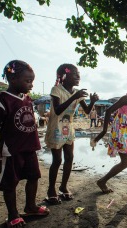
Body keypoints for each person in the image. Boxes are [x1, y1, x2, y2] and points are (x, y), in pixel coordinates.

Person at [0, 60, 50, 228]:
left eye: (32, 80)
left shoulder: (27, 99)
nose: (31, 84)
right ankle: (13, 214)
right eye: (27, 81)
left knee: (34, 177)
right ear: (13, 79)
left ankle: (30, 207)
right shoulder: (2, 100)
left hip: (29, 147)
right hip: (11, 150)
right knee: (10, 182)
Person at [44, 63, 99, 204]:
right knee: (57, 161)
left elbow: (87, 112)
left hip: (68, 129)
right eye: (75, 74)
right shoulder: (56, 90)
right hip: (56, 129)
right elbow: (57, 110)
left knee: (69, 158)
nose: (78, 77)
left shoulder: (77, 93)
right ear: (64, 76)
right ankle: (51, 189)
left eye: (79, 74)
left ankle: (63, 186)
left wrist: (92, 101)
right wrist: (75, 97)